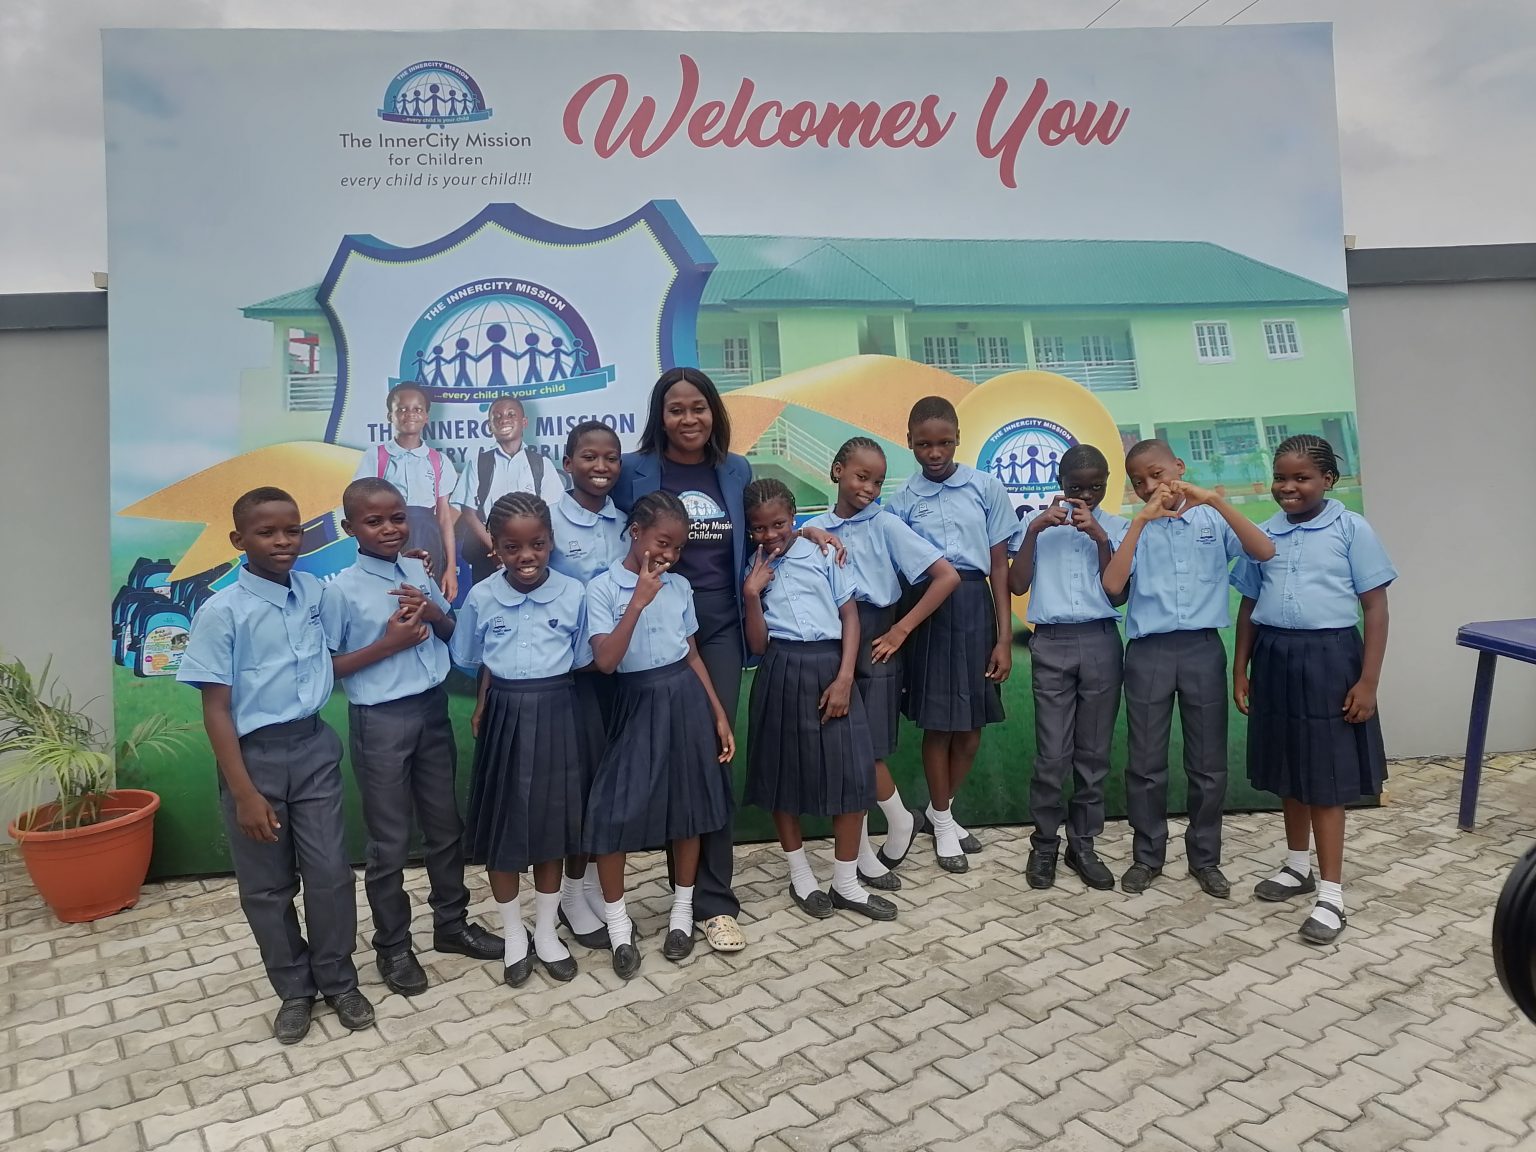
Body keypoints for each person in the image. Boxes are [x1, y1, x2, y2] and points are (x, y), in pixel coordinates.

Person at [610, 367, 842, 952]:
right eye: (676, 409)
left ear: (714, 412)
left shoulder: (735, 470)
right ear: (660, 416)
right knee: (656, 759)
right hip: (652, 623)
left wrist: (809, 534)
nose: (689, 419)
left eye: (699, 407)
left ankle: (711, 903)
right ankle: (630, 898)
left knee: (712, 754)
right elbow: (593, 517)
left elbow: (767, 529)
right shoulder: (633, 471)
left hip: (716, 628)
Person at [176, 487, 373, 1044]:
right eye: (267, 533)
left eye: (292, 530)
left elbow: (342, 639)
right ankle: (294, 989)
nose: (283, 541)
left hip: (312, 748)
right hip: (253, 760)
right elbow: (216, 709)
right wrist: (243, 793)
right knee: (267, 885)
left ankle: (338, 980)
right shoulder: (222, 612)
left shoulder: (314, 591)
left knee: (330, 874)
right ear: (239, 540)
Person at [319, 480, 504, 996]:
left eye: (397, 518)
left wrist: (434, 611)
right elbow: (326, 667)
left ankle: (451, 923)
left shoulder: (417, 570)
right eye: (374, 521)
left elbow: (452, 635)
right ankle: (393, 945)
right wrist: (388, 643)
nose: (389, 529)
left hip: (430, 710)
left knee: (445, 826)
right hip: (380, 721)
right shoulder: (340, 591)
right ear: (349, 528)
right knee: (390, 840)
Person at [1231, 434, 1395, 945]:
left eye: (1301, 478)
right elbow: (1248, 605)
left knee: (1324, 776)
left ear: (1328, 479)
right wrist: (1240, 669)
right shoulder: (1264, 533)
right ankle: (1297, 865)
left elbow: (1375, 607)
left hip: (1330, 660)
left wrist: (1368, 681)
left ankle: (1332, 896)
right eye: (1281, 477)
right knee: (1289, 767)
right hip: (1275, 657)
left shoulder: (1351, 529)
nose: (1288, 487)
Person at [1100, 441, 1276, 899]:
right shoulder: (1134, 526)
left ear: (1179, 467)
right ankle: (1147, 856)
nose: (1149, 486)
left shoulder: (1212, 520)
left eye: (1156, 474)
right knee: (1145, 763)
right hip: (1149, 653)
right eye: (1138, 482)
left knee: (1207, 764)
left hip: (1202, 649)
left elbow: (1264, 550)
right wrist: (1141, 521)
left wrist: (1214, 500)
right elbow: (1113, 586)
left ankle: (1205, 858)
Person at [583, 491, 736, 978]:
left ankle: (682, 914)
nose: (670, 555)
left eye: (678, 547)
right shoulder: (601, 589)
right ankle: (618, 924)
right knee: (611, 813)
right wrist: (638, 600)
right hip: (635, 700)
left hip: (684, 698)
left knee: (688, 809)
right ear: (636, 533)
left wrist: (718, 713)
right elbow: (606, 662)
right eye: (662, 543)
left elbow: (691, 653)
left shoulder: (680, 586)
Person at [803, 438, 962, 887]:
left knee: (866, 752)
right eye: (861, 477)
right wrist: (806, 534)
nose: (869, 489)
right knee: (844, 753)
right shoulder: (815, 527)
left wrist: (901, 630)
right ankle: (866, 852)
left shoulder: (886, 524)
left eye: (877, 482)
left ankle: (899, 819)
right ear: (837, 471)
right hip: (834, 643)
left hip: (876, 642)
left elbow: (946, 576)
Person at [450, 492, 590, 986]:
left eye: (537, 544)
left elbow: (581, 656)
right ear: (495, 548)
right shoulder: (482, 597)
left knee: (552, 829)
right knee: (503, 829)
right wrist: (486, 702)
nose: (526, 556)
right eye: (512, 547)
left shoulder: (574, 594)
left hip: (558, 710)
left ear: (550, 542)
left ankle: (547, 932)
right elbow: (476, 658)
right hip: (505, 714)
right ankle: (514, 934)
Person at [742, 479, 897, 921]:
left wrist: (845, 678)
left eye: (779, 524)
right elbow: (758, 645)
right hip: (781, 667)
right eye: (759, 528)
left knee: (852, 774)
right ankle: (801, 876)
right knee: (783, 775)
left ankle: (845, 882)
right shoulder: (752, 567)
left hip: (831, 667)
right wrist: (751, 594)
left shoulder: (824, 552)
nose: (770, 534)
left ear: (794, 517)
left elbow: (850, 617)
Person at [885, 396, 1014, 873]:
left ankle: (941, 811)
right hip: (929, 611)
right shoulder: (901, 501)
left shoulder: (986, 488)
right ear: (909, 443)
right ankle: (943, 826)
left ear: (958, 438)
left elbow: (999, 566)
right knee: (939, 725)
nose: (935, 453)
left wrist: (1003, 637)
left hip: (975, 607)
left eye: (944, 443)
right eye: (924, 444)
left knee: (971, 729)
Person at [1008, 444, 1129, 892]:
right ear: (1060, 484)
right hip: (1052, 641)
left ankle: (1084, 844)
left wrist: (1100, 537)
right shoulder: (1041, 526)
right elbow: (1017, 583)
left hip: (1100, 640)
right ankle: (1044, 845)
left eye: (1096, 486)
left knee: (1093, 755)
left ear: (1107, 483)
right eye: (1077, 487)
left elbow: (1118, 593)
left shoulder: (1116, 527)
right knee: (1052, 756)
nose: (1087, 494)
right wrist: (1034, 530)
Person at [547, 420, 628, 950]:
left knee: (607, 786)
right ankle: (570, 897)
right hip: (572, 677)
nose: (601, 467)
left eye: (611, 458)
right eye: (589, 457)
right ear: (567, 463)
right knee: (578, 790)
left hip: (619, 673)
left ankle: (593, 888)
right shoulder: (549, 520)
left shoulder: (625, 522)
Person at [354, 384, 459, 601]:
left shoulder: (439, 461)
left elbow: (444, 518)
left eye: (417, 409)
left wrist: (450, 567)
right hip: (387, 536)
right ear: (389, 416)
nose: (410, 414)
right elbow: (362, 510)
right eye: (402, 409)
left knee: (427, 599)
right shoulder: (375, 457)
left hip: (428, 537)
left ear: (426, 416)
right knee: (389, 598)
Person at [452, 396, 566, 585]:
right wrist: (496, 549)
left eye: (511, 414)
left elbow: (552, 513)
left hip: (532, 554)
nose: (504, 420)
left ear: (524, 422)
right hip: (488, 554)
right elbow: (469, 513)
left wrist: (532, 549)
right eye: (497, 417)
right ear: (489, 426)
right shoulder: (479, 463)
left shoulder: (540, 464)